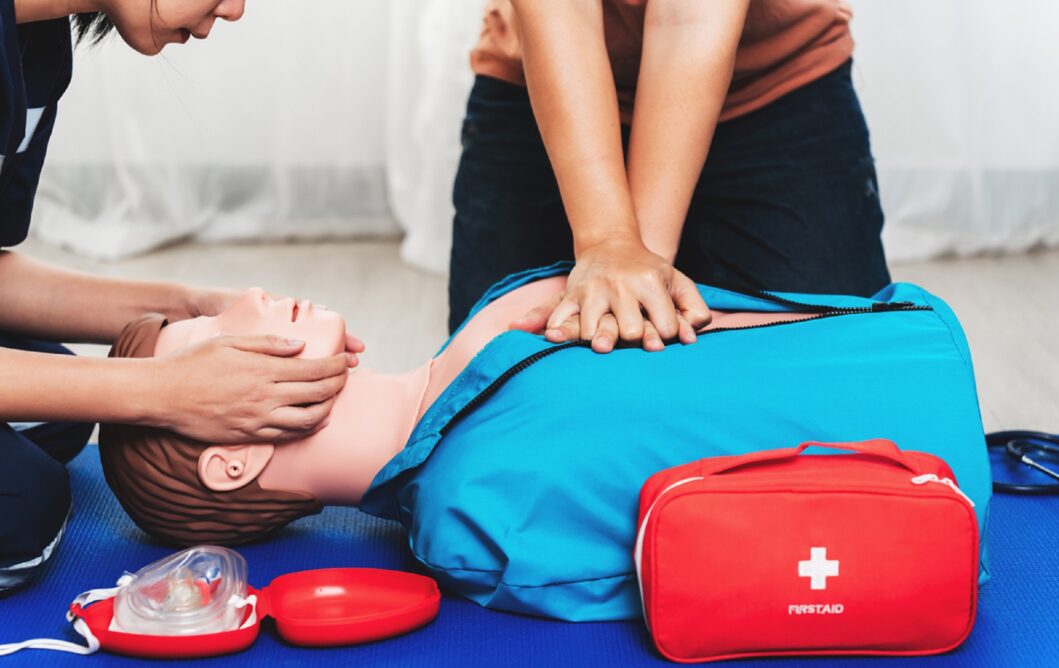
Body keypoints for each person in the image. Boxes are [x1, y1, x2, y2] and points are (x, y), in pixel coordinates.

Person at [98, 265, 992, 622]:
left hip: (908, 348)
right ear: (233, 460)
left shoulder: (490, 327)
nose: (246, 297)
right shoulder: (477, 517)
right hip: (922, 491)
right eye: (212, 340)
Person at [0, 0, 361, 593]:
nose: (237, 9)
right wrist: (162, 390)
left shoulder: (35, 45)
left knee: (59, 411)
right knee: (18, 506)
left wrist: (190, 305)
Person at [449, 0, 891, 355]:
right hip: (542, 80)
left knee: (837, 378)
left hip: (774, 79)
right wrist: (607, 244)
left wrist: (638, 273)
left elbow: (688, 15)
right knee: (491, 382)